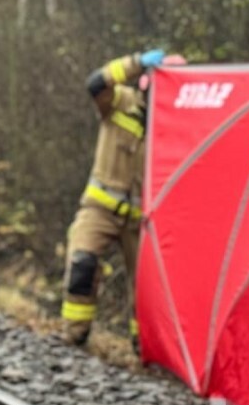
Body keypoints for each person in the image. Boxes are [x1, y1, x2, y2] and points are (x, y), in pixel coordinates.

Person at [61, 48, 183, 346]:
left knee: (148, 291)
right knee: (83, 264)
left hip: (142, 223)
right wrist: (136, 62)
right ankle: (74, 335)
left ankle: (143, 348)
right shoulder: (119, 102)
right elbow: (95, 84)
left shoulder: (174, 125)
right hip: (99, 210)